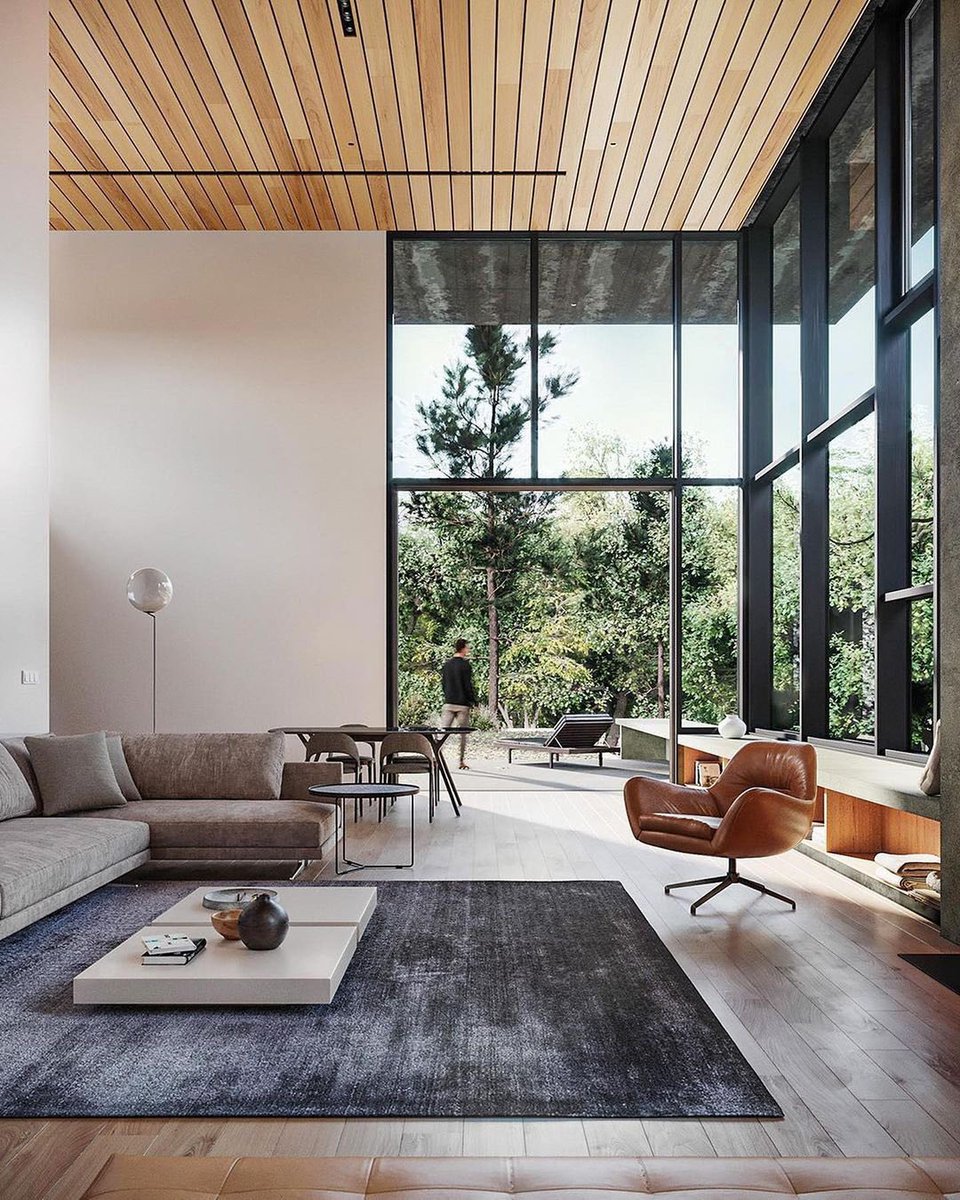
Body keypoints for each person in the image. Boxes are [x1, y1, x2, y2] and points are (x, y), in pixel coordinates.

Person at [441, 638, 476, 769]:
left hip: (448, 703)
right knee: (463, 735)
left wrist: (448, 695)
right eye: (467, 647)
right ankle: (461, 761)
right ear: (462, 648)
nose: (468, 650)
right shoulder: (465, 665)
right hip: (462, 705)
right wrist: (472, 700)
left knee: (442, 733)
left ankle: (437, 758)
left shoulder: (446, 665)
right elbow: (468, 685)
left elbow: (443, 684)